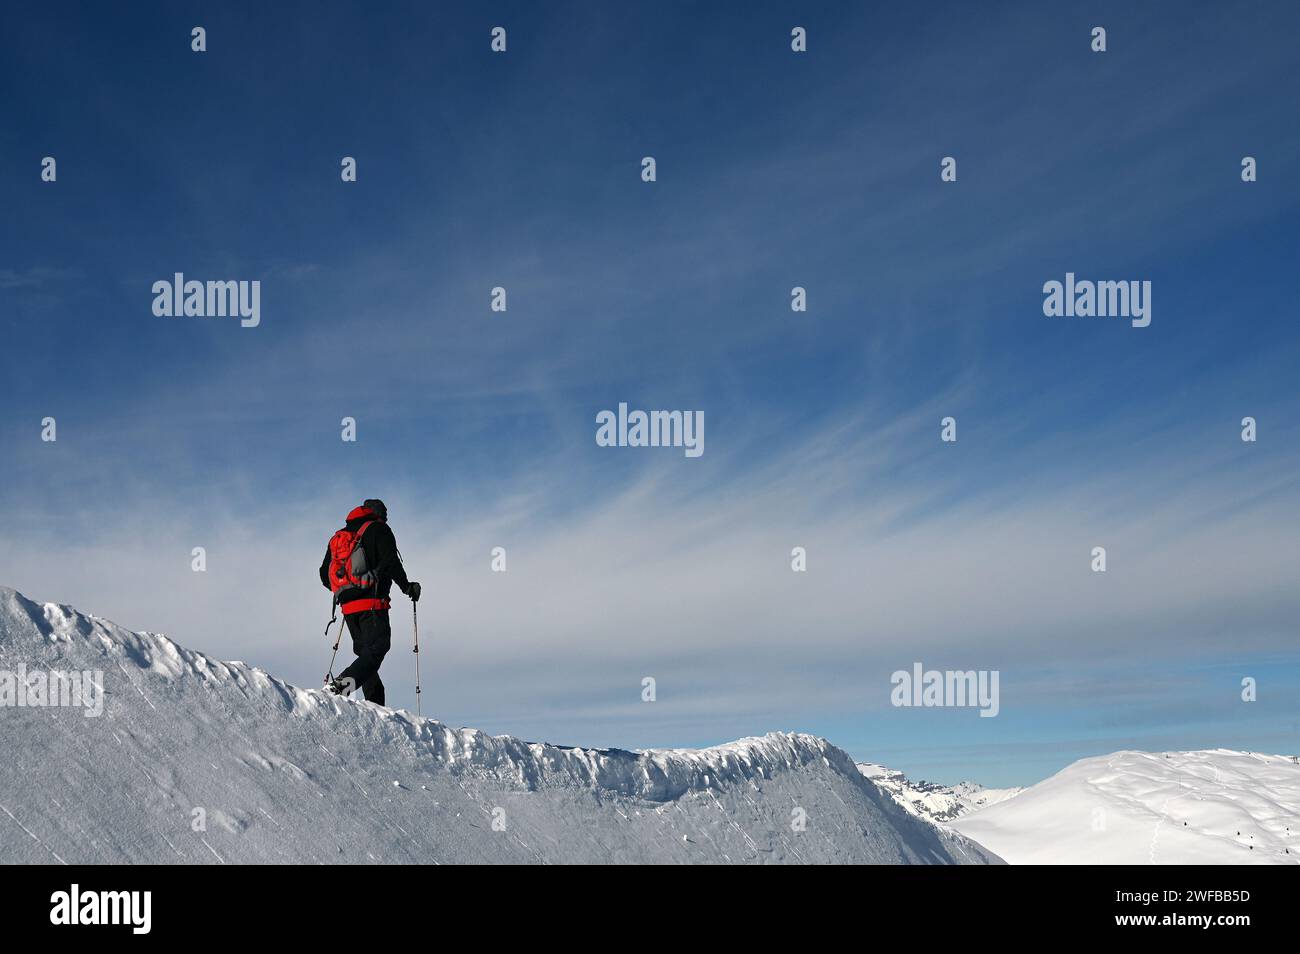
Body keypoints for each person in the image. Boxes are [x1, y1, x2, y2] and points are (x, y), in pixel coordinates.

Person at [319, 498, 420, 706]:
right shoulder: (379, 530)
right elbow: (391, 561)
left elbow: (323, 573)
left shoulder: (340, 536)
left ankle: (375, 707)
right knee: (378, 648)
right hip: (372, 604)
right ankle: (339, 687)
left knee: (367, 656)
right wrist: (407, 587)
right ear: (379, 514)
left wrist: (346, 589)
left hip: (347, 607)